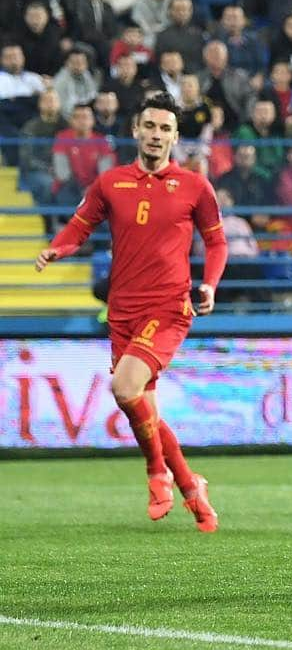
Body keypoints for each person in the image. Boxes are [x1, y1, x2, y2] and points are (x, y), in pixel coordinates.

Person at [34, 92, 223, 532]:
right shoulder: (110, 182)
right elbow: (80, 226)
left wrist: (209, 284)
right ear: (136, 130)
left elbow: (216, 241)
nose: (156, 135)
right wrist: (58, 248)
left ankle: (157, 472)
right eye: (150, 126)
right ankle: (193, 487)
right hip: (122, 310)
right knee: (144, 405)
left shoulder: (195, 185)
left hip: (169, 306)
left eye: (165, 129)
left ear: (176, 137)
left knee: (124, 386)